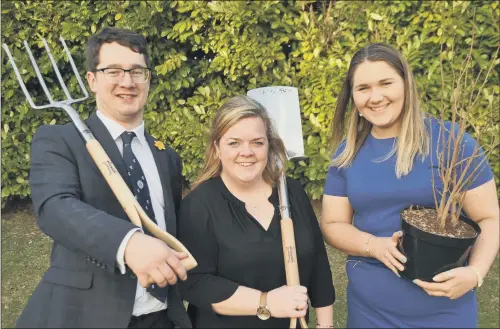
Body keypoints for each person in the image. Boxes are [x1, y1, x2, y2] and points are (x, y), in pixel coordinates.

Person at [16, 27, 192, 328]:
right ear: (92, 80)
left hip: (161, 318)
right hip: (85, 315)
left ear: (148, 79)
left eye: (137, 71)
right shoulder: (59, 140)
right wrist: (129, 243)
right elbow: (55, 208)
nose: (127, 82)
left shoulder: (167, 157)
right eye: (113, 71)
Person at [320, 42, 499, 328]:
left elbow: (488, 217)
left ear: (406, 84)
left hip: (444, 311)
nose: (375, 97)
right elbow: (332, 224)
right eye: (363, 88)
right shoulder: (347, 154)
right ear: (352, 96)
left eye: (386, 83)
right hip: (369, 313)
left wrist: (475, 273)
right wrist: (374, 246)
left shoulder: (451, 143)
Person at [176, 95, 335, 328]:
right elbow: (195, 283)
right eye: (234, 143)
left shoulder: (291, 191)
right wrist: (266, 302)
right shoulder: (199, 204)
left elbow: (319, 265)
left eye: (257, 142)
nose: (247, 152)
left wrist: (325, 326)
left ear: (269, 146)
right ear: (217, 148)